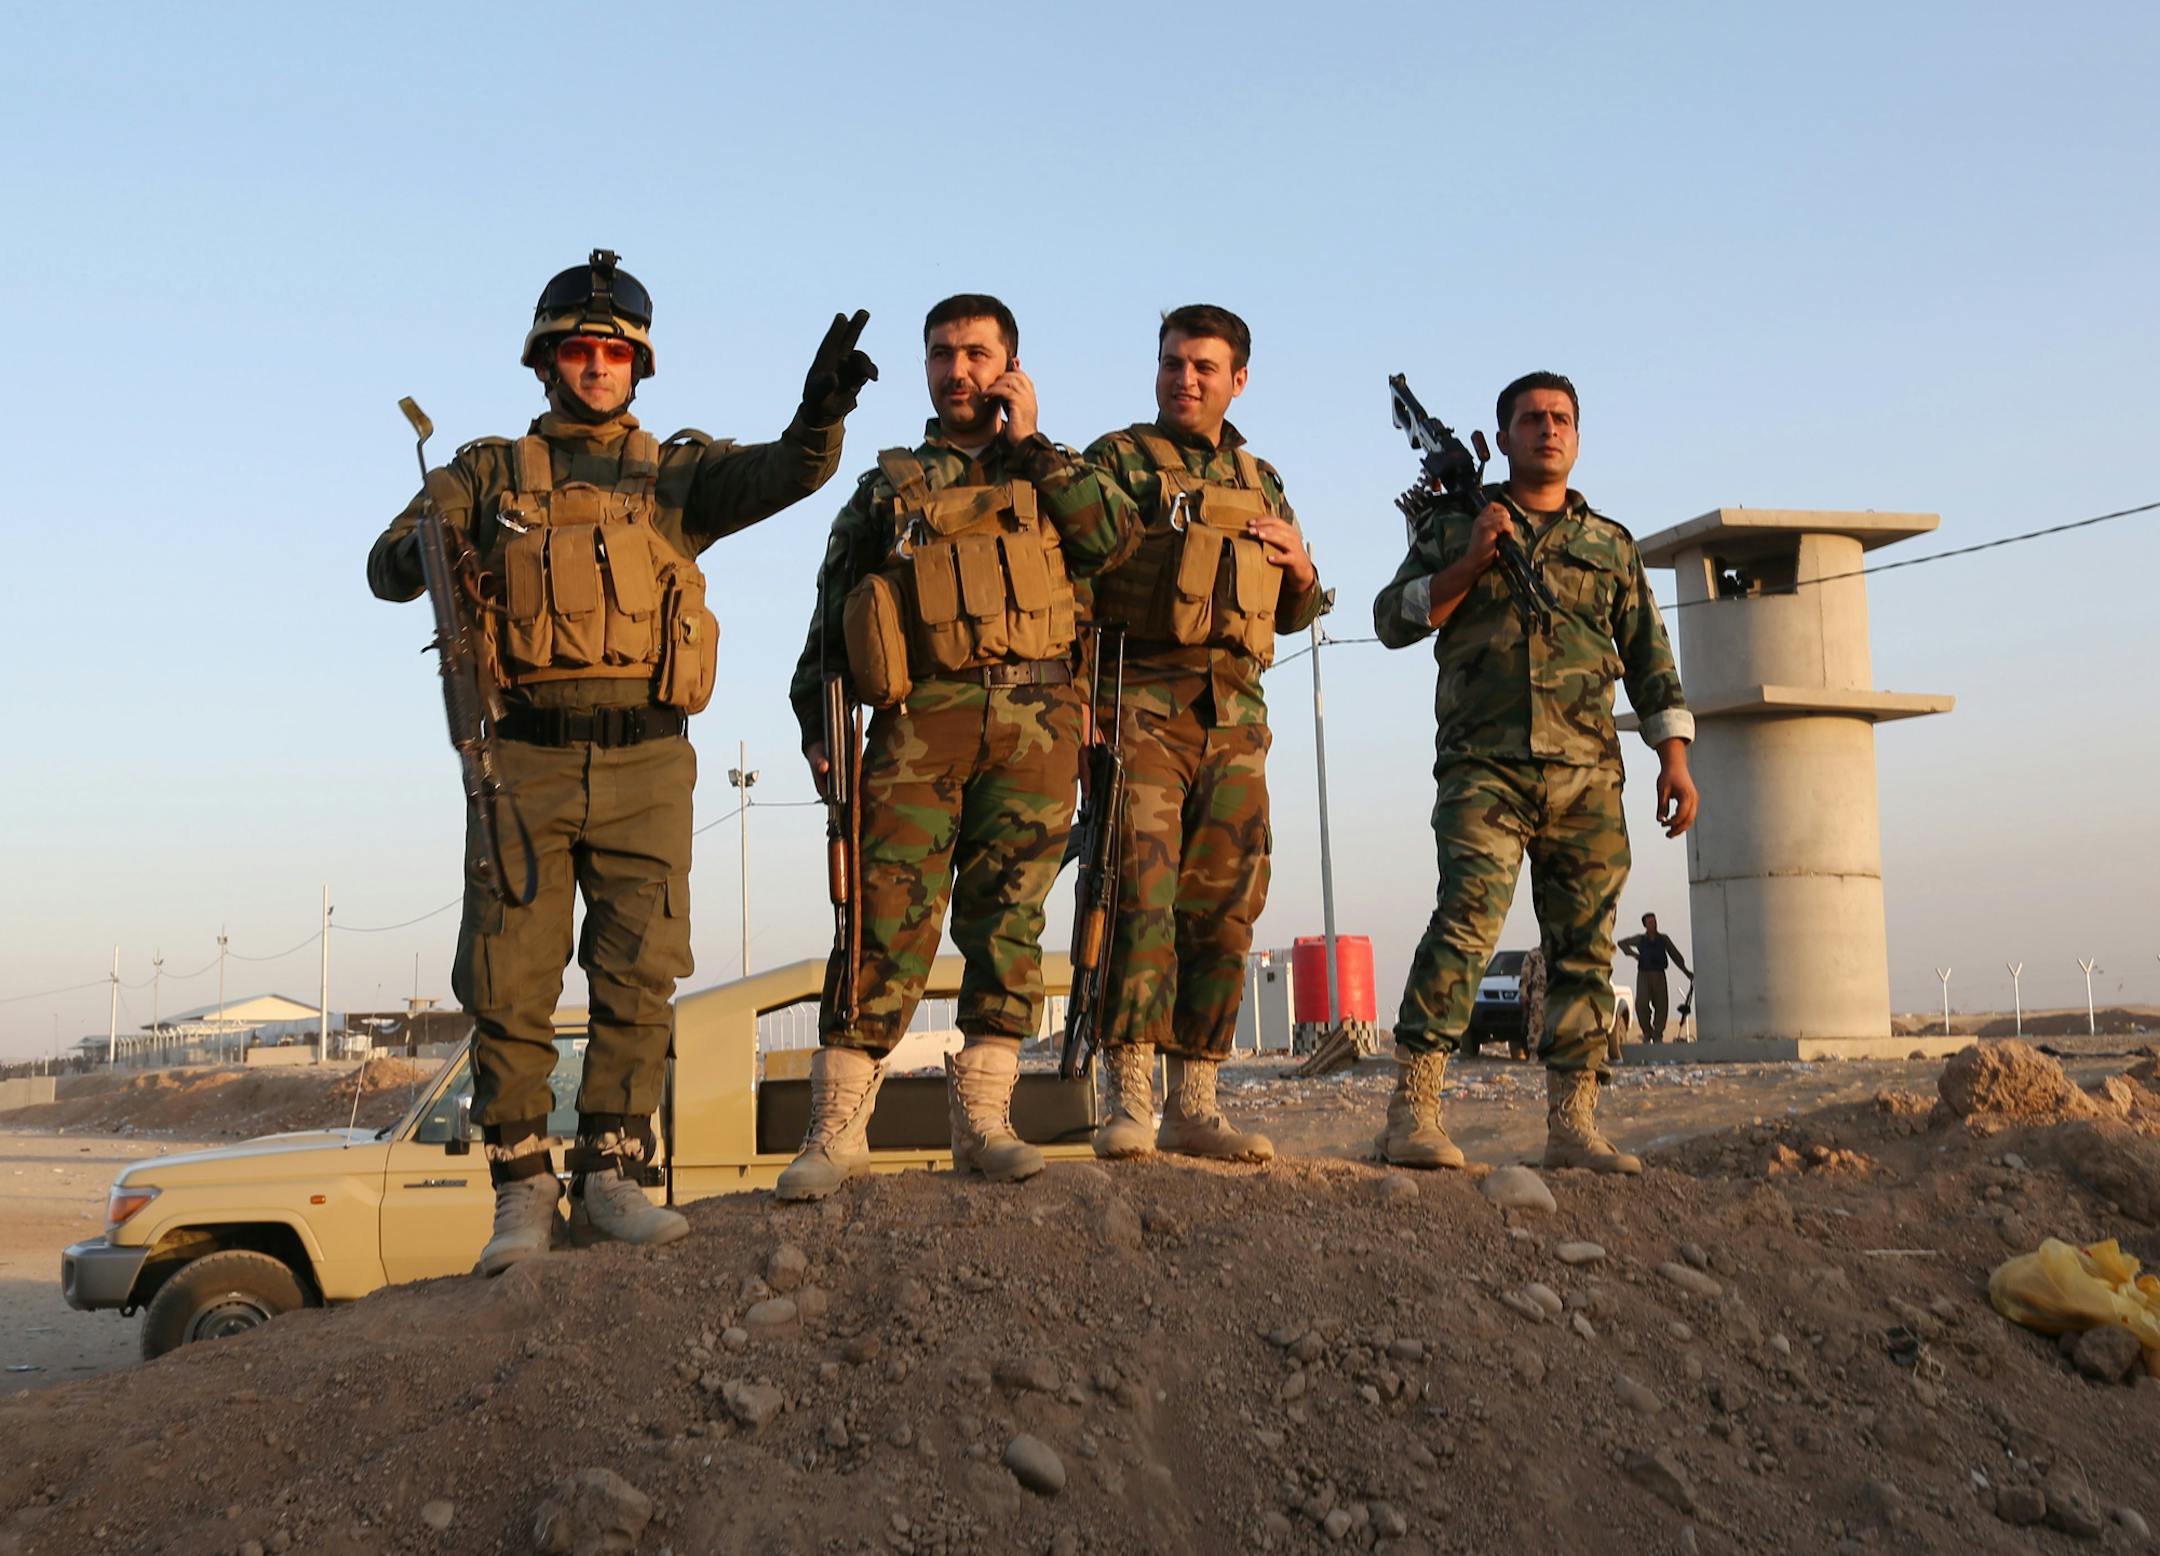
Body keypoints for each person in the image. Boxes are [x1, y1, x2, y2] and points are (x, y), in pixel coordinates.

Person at [368, 250, 875, 1272]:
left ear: (638, 365)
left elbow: (789, 471)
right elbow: (388, 569)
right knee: (508, 980)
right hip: (523, 762)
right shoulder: (487, 473)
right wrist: (431, 536)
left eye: (613, 351)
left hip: (648, 765)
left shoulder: (676, 476)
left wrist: (820, 414)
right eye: (578, 350)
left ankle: (611, 1177)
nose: (597, 365)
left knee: (639, 975)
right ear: (545, 361)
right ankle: (521, 1194)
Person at [774, 295, 1132, 1201]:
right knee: (883, 918)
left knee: (1010, 920)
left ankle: (985, 1123)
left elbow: (1114, 543)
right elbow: (830, 615)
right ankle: (837, 1130)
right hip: (918, 722)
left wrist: (1035, 445)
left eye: (977, 353)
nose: (958, 370)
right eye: (942, 354)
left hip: (1038, 722)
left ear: (1011, 364)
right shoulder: (888, 486)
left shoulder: (1057, 474)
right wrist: (821, 728)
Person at [1372, 371, 1698, 1175]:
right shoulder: (1459, 526)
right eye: (1531, 419)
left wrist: (1675, 760)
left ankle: (1573, 1125)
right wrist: (1469, 561)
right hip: (1483, 768)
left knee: (1584, 946)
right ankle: (1413, 1112)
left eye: (1560, 419)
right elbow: (1392, 619)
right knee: (1466, 924)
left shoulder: (1610, 545)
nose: (1547, 429)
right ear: (1503, 438)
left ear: (1576, 438)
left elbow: (1651, 660)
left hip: (1587, 776)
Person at [1038, 305, 1326, 1162]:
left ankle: (1195, 1103)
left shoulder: (1261, 478)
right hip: (1137, 707)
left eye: (1203, 366)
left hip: (1234, 719)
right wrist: (1079, 701)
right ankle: (1130, 1098)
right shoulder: (1119, 460)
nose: (1184, 379)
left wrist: (1302, 568)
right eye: (1172, 363)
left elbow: (1294, 609)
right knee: (1137, 895)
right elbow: (1066, 579)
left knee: (1226, 907)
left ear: (1239, 379)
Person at [1618, 912, 1693, 1043]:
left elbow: (1675, 955)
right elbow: (1622, 943)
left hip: (1659, 974)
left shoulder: (1663, 939)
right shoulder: (1640, 939)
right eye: (1650, 922)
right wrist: (1634, 955)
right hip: (1644, 975)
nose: (1654, 924)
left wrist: (1686, 971)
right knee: (1641, 1004)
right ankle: (1647, 1032)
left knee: (1662, 1005)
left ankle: (1657, 1034)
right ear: (1645, 925)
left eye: (1654, 921)